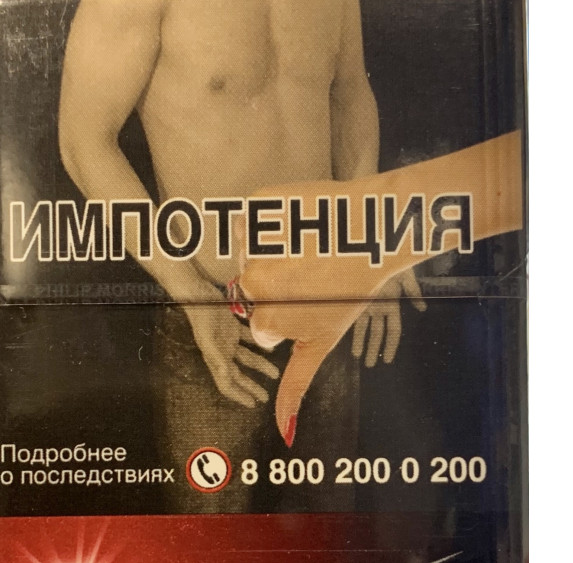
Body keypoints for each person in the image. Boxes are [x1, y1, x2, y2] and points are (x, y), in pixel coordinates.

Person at [58, 0, 423, 497]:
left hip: (327, 310)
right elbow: (83, 141)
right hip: (214, 320)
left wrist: (370, 241)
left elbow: (349, 93)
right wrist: (190, 293)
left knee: (331, 531)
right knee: (209, 536)